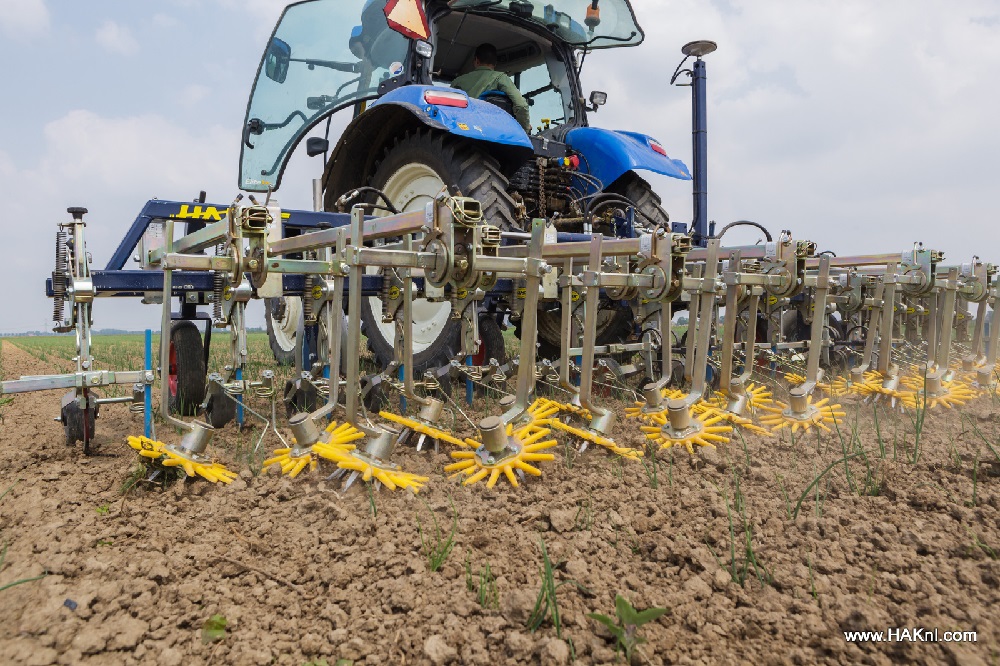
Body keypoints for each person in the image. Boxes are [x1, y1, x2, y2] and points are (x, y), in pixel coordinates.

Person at [451, 43, 532, 132]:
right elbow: (521, 105)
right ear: (495, 63)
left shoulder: (457, 81)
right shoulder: (500, 78)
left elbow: (449, 109)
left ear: (476, 60)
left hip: (461, 131)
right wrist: (525, 129)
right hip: (491, 134)